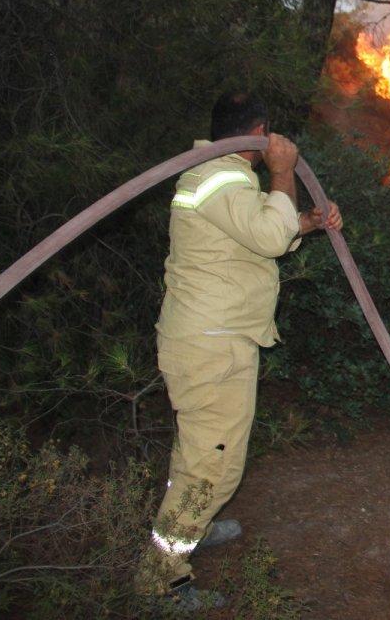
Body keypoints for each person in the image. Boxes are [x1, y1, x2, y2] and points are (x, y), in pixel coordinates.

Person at [137, 91, 342, 608]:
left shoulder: (219, 176)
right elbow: (269, 237)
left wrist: (308, 222)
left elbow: (258, 233)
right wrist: (283, 172)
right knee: (211, 465)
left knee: (204, 455)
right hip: (211, 344)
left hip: (218, 339)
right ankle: (162, 580)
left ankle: (192, 528)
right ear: (258, 132)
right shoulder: (221, 176)